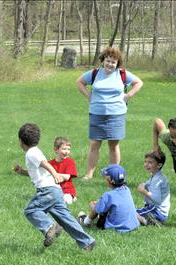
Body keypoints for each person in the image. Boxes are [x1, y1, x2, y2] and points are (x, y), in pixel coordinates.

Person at [13, 123, 96, 251]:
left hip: (47, 191)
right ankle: (87, 242)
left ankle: (49, 227)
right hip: (56, 191)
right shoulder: (35, 151)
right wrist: (22, 171)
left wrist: (55, 173)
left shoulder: (31, 153)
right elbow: (37, 171)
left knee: (31, 211)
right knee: (66, 219)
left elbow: (45, 164)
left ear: (20, 141)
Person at [76, 47, 143, 180]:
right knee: (95, 144)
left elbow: (138, 82)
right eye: (108, 61)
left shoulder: (122, 74)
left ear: (117, 63)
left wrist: (128, 95)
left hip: (116, 114)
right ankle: (89, 175)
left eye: (113, 62)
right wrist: (89, 96)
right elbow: (80, 82)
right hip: (97, 113)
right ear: (103, 61)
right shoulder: (95, 73)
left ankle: (113, 174)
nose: (110, 64)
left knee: (113, 145)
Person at [77, 164, 139, 233]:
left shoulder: (108, 195)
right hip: (133, 226)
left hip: (116, 228)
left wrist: (94, 206)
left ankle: (86, 221)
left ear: (110, 180)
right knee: (102, 205)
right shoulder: (127, 190)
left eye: (105, 178)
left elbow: (97, 210)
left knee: (94, 206)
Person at [136, 151, 171, 226]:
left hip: (157, 211)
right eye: (145, 161)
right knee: (130, 212)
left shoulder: (157, 180)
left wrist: (143, 191)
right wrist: (145, 185)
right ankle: (147, 219)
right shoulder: (157, 177)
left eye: (150, 162)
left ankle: (147, 221)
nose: (146, 164)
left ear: (159, 165)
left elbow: (157, 200)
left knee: (130, 213)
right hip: (157, 211)